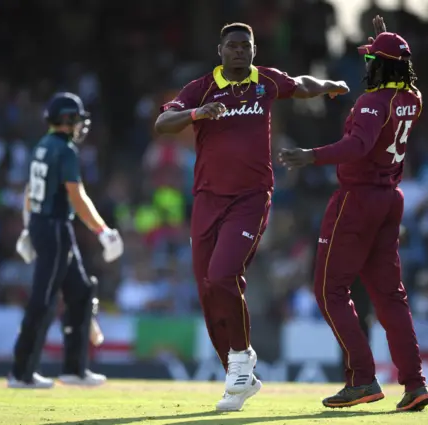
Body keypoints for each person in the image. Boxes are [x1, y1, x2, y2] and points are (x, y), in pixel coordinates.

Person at [154, 22, 349, 411]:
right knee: (209, 288)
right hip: (207, 200)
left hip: (250, 198)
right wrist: (197, 113)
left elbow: (301, 83)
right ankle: (238, 374)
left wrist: (328, 86)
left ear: (254, 50)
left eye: (246, 45)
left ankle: (242, 362)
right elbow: (162, 124)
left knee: (224, 274)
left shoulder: (266, 81)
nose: (240, 51)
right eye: (233, 45)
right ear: (220, 50)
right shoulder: (202, 88)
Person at [278, 16, 428, 412]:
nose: (366, 67)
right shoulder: (413, 98)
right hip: (389, 199)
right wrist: (384, 43)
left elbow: (358, 145)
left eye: (371, 61)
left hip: (357, 200)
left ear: (382, 67)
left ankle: (362, 378)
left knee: (329, 291)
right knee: (390, 297)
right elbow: (397, 76)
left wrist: (311, 156)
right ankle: (415, 385)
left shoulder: (371, 101)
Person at [8, 92, 124, 389]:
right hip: (55, 228)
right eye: (78, 119)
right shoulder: (66, 150)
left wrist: (27, 227)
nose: (81, 125)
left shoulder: (42, 146)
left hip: (45, 225)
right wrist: (103, 231)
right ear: (68, 120)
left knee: (82, 291)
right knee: (43, 299)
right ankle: (21, 372)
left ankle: (74, 369)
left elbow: (30, 192)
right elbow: (77, 196)